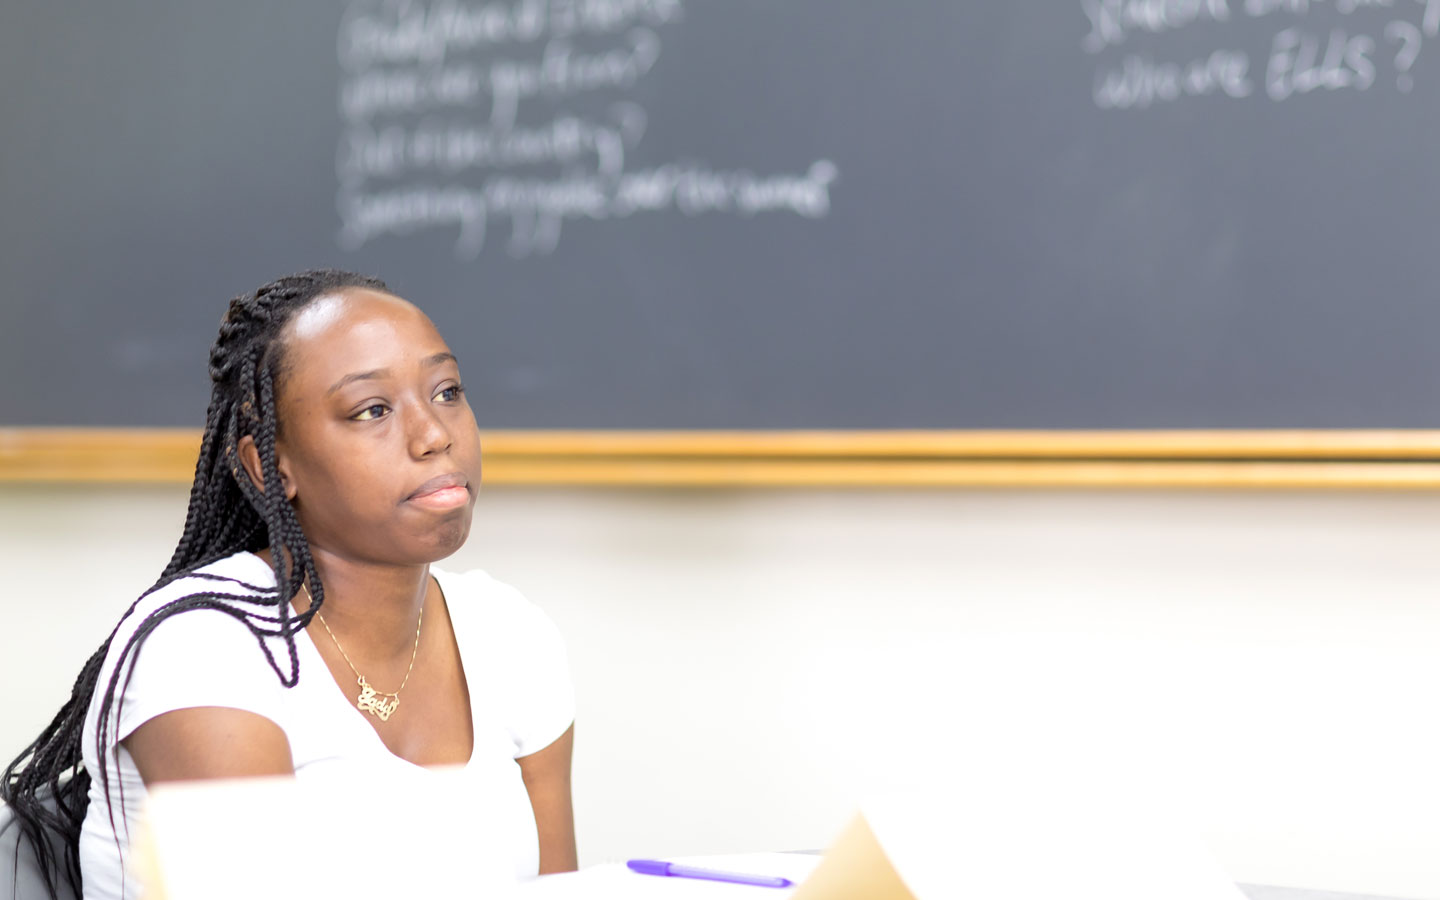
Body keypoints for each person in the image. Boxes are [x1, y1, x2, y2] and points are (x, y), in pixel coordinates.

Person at [0, 270, 577, 900]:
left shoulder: (509, 634)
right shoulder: (201, 649)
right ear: (272, 466)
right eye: (373, 409)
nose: (435, 434)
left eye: (446, 391)